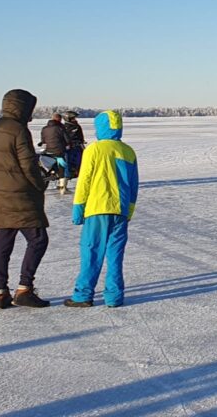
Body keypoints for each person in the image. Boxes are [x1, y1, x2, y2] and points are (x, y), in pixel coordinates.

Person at [0, 89, 51, 309]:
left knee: (2, 243)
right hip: (20, 197)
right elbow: (28, 165)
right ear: (22, 108)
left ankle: (1, 292)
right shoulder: (18, 129)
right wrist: (40, 184)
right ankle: (24, 288)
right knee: (38, 239)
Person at [64, 111, 139, 308]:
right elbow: (133, 185)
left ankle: (83, 295)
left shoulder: (94, 150)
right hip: (120, 211)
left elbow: (84, 181)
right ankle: (114, 297)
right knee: (115, 255)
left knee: (91, 251)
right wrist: (128, 211)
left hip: (97, 209)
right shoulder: (128, 151)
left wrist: (78, 208)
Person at [39, 113, 71, 192]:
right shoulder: (60, 128)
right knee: (62, 166)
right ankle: (62, 186)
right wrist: (69, 144)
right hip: (59, 151)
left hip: (48, 150)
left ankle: (51, 173)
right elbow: (67, 139)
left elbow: (43, 140)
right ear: (59, 119)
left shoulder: (44, 128)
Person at [63, 110, 87, 178]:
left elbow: (80, 137)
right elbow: (71, 136)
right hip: (73, 147)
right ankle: (73, 172)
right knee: (77, 161)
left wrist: (81, 141)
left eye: (75, 118)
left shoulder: (75, 126)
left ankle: (76, 171)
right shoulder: (71, 127)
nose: (75, 119)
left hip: (75, 146)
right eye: (73, 118)